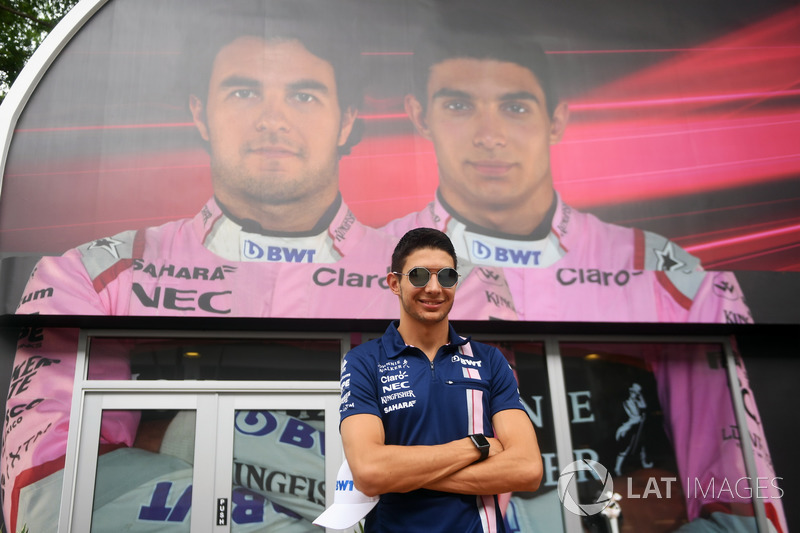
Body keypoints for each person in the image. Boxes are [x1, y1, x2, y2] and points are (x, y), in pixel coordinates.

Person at [383, 11, 786, 533]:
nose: (489, 136)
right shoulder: (376, 266)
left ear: (557, 119)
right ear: (420, 116)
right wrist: (578, 512)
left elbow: (745, 509)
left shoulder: (659, 271)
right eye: (459, 106)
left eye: (515, 106)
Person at [2, 1, 397, 530]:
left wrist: (171, 435)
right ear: (198, 112)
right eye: (243, 91)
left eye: (303, 95)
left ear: (347, 119)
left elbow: (480, 472)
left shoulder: (438, 284)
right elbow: (46, 486)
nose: (272, 120)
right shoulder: (87, 276)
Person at [339, 227, 543, 532]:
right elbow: (369, 472)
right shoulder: (364, 362)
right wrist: (478, 447)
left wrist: (403, 476)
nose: (434, 288)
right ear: (394, 283)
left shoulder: (489, 361)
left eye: (446, 276)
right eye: (419, 275)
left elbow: (527, 469)